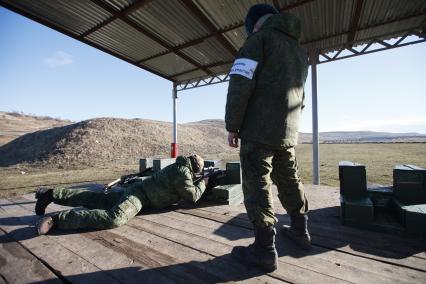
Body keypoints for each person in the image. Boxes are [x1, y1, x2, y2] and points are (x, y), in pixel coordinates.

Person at [225, 4, 310, 272]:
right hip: (287, 131)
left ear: (255, 25)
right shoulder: (299, 51)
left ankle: (263, 250)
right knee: (289, 178)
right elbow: (300, 95)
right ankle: (301, 231)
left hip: (258, 129)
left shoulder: (258, 41)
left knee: (257, 182)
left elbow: (240, 84)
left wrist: (233, 125)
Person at [35, 155, 207, 235]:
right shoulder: (183, 172)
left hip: (139, 192)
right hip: (139, 197)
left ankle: (50, 194)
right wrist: (204, 182)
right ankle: (58, 221)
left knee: (95, 199)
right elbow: (192, 196)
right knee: (114, 218)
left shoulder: (179, 167)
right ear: (196, 168)